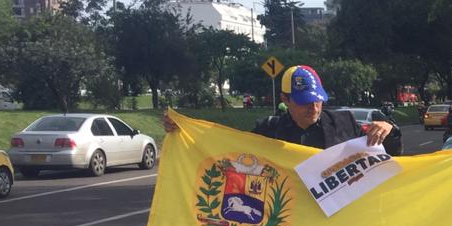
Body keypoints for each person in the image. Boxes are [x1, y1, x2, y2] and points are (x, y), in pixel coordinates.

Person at [164, 66, 401, 155]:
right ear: (285, 99)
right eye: (304, 101)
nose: (313, 106)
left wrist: (388, 130)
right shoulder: (268, 130)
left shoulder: (344, 122)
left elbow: (387, 156)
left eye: (317, 100)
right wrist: (183, 130)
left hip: (339, 224)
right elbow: (225, 147)